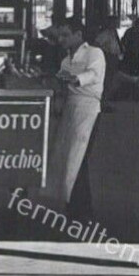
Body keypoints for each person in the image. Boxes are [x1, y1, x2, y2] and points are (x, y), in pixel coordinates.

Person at [51, 16, 107, 214]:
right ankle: (74, 206)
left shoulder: (94, 53)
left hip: (88, 110)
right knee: (68, 159)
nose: (61, 40)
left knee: (79, 159)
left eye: (66, 35)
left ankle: (82, 211)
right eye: (59, 36)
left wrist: (76, 79)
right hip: (70, 109)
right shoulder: (66, 60)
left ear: (78, 35)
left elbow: (94, 75)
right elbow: (60, 82)